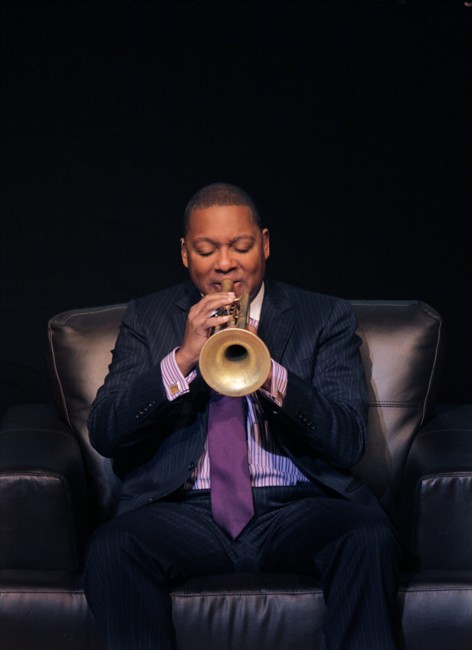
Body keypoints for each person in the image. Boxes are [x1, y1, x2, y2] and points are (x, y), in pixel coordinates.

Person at [84, 182, 400, 650]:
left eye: (241, 246)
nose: (225, 263)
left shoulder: (324, 316)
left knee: (367, 537)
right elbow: (107, 431)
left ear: (265, 244)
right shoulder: (146, 318)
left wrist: (270, 374)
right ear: (186, 253)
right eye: (207, 249)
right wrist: (183, 359)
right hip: (186, 510)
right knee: (112, 547)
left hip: (297, 504)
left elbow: (347, 440)